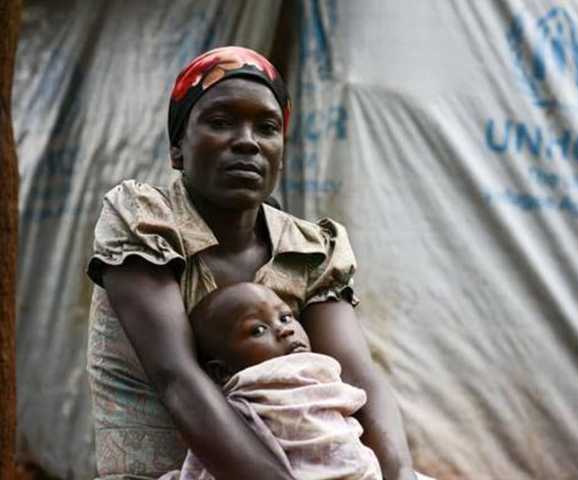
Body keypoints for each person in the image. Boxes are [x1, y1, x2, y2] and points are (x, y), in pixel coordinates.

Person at [86, 46, 417, 480]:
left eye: (267, 127)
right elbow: (177, 379)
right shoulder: (145, 220)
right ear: (177, 149)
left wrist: (398, 474)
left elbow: (358, 380)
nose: (247, 141)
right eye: (221, 122)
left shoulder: (310, 249)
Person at [161, 281, 383, 480]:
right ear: (221, 372)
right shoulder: (238, 407)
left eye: (285, 317)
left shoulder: (324, 374)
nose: (284, 329)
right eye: (258, 330)